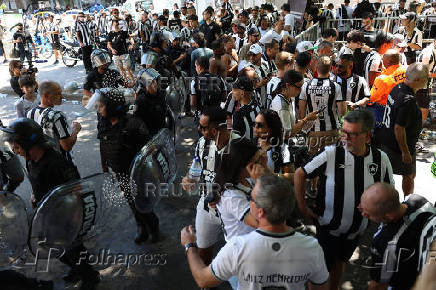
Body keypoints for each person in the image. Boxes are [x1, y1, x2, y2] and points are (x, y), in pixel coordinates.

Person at [294, 109, 394, 290]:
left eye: (353, 134)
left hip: (356, 232)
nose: (345, 138)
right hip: (327, 228)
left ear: (367, 136)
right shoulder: (331, 154)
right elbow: (300, 173)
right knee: (320, 270)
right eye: (344, 132)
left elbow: (389, 193)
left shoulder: (381, 159)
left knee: (340, 262)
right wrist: (302, 206)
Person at [180, 175, 330, 289]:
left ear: (260, 211)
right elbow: (320, 287)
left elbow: (203, 279)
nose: (249, 199)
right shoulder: (312, 247)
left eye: (250, 197)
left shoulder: (237, 248)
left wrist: (190, 246)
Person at [0, 118, 100, 289]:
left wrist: (75, 219)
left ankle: (90, 275)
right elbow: (36, 180)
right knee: (58, 248)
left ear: (28, 143)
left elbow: (76, 189)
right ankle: (76, 269)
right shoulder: (31, 158)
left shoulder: (55, 162)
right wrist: (34, 195)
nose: (15, 152)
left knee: (72, 247)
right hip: (49, 212)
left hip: (66, 214)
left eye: (16, 147)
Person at [96, 88, 159, 243]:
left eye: (101, 106)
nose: (98, 109)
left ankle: (153, 226)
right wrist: (104, 166)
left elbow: (151, 148)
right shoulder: (103, 122)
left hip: (137, 172)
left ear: (112, 106)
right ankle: (141, 227)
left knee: (142, 201)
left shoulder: (133, 124)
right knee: (131, 200)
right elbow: (103, 144)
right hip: (120, 172)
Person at [181, 106, 239, 267]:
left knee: (236, 258)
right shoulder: (201, 143)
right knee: (203, 251)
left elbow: (250, 183)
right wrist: (188, 179)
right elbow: (196, 169)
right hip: (206, 208)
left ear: (215, 130)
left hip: (233, 214)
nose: (198, 129)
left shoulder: (239, 146)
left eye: (203, 127)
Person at [359, 182, 436, 290]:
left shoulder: (387, 244)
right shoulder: (417, 200)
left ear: (388, 216)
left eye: (367, 214)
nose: (363, 214)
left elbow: (379, 284)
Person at [380, 63, 429, 196]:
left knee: (391, 176)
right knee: (409, 175)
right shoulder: (408, 100)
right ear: (418, 80)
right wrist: (405, 152)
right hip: (397, 145)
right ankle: (407, 205)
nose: (428, 80)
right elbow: (398, 128)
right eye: (426, 78)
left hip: (386, 140)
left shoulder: (397, 88)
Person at [299, 56, 346, 156]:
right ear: (330, 69)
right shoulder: (336, 86)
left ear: (316, 68)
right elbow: (342, 112)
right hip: (331, 130)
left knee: (313, 163)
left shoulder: (306, 85)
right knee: (331, 161)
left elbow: (301, 112)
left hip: (313, 131)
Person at [27, 81, 81, 165]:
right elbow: (66, 146)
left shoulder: (30, 113)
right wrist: (75, 130)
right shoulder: (57, 116)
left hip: (43, 162)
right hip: (61, 164)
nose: (61, 96)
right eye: (58, 94)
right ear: (46, 96)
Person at [134, 68, 168, 136]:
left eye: (154, 81)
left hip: (162, 133)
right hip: (149, 137)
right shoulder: (140, 101)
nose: (154, 85)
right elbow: (138, 122)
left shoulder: (161, 94)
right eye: (150, 83)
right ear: (144, 86)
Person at [231, 76, 262, 141]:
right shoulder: (257, 105)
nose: (232, 92)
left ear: (242, 93)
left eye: (234, 90)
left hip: (246, 149)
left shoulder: (239, 114)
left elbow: (236, 140)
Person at [107, 19, 135, 85]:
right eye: (114, 24)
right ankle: (126, 82)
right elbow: (108, 44)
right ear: (112, 25)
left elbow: (130, 38)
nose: (116, 25)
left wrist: (132, 44)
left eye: (117, 24)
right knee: (121, 69)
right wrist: (112, 49)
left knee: (127, 68)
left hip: (124, 54)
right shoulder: (110, 34)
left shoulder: (123, 32)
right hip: (116, 55)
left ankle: (133, 82)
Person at [417, 38, 436, 125]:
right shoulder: (428, 53)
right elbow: (422, 72)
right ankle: (418, 129)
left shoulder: (432, 50)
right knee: (424, 108)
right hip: (420, 84)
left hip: (423, 83)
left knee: (424, 106)